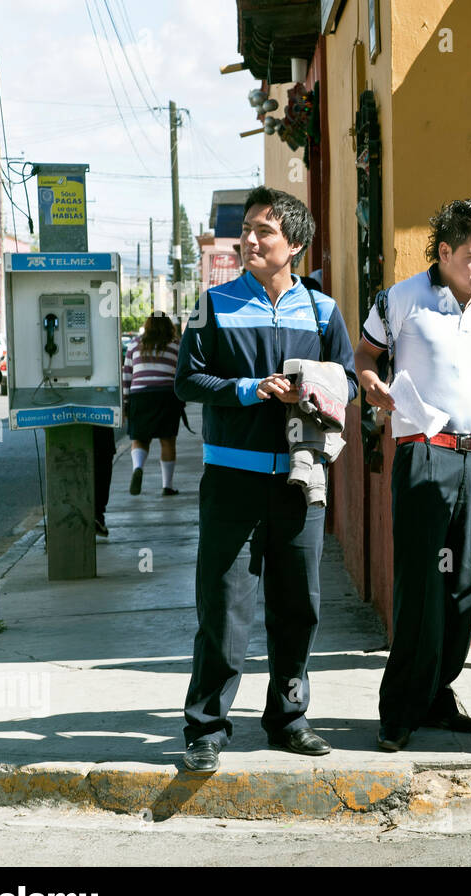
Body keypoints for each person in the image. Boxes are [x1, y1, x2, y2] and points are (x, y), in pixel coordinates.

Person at [174, 186, 358, 772]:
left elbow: (349, 380)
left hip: (301, 484)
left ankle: (288, 718)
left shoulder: (324, 311)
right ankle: (206, 727)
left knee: (298, 605)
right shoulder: (212, 305)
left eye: (264, 232)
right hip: (231, 481)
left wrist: (322, 389)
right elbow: (187, 382)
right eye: (247, 230)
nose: (249, 241)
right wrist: (250, 390)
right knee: (224, 608)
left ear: (295, 245)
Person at [354, 198, 471, 752]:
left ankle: (438, 693)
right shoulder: (402, 300)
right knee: (420, 587)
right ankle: (398, 711)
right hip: (425, 453)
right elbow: (365, 355)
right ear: (445, 252)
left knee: (464, 586)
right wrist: (372, 384)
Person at [123, 311, 184, 496]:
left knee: (140, 439)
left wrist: (126, 402)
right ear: (168, 326)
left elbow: (126, 374)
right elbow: (181, 374)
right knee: (167, 441)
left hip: (140, 395)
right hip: (166, 395)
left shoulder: (134, 344)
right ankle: (167, 485)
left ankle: (137, 467)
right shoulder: (175, 345)